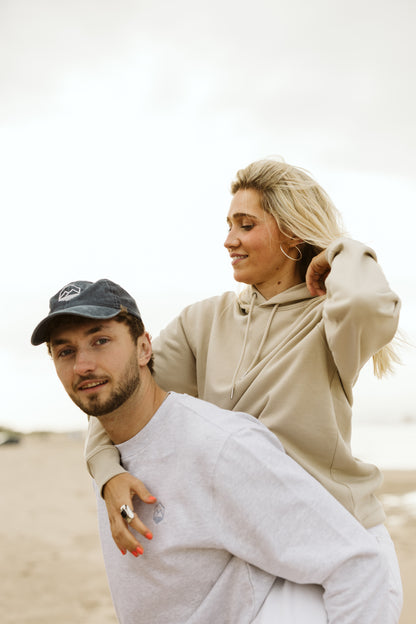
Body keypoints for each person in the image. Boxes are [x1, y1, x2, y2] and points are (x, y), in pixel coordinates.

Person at [32, 279, 396, 624]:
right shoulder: (114, 453)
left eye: (100, 341)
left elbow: (359, 566)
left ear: (144, 348)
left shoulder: (219, 446)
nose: (83, 365)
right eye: (65, 351)